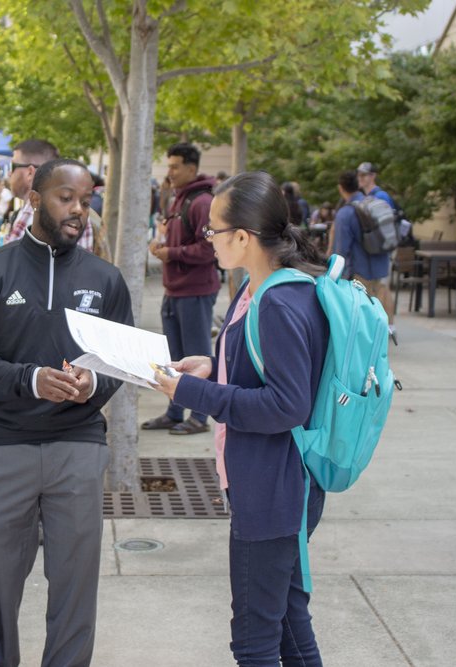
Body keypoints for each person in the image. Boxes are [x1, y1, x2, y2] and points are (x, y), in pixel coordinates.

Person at [0, 158, 132, 667]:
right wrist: (29, 379)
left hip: (79, 446)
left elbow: (123, 363)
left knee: (75, 586)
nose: (79, 211)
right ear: (34, 199)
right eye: (66, 198)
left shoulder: (107, 280)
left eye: (86, 200)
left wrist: (93, 382)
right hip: (5, 448)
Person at [153, 171, 328, 667]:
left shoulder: (278, 299)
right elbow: (267, 369)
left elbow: (287, 404)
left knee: (254, 641)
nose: (207, 239)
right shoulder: (261, 288)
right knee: (290, 627)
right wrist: (213, 368)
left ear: (244, 237)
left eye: (213, 230)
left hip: (275, 489)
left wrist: (194, 392)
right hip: (273, 483)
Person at [144, 142, 218, 435]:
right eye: (169, 165)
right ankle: (175, 411)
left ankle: (199, 417)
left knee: (197, 356)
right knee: (173, 357)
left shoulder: (202, 203)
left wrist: (171, 254)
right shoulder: (179, 200)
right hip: (174, 290)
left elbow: (209, 250)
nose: (170, 172)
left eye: (175, 166)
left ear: (191, 168)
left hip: (195, 291)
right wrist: (163, 247)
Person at [333, 170, 395, 341]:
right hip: (381, 265)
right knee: (381, 299)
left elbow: (341, 250)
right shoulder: (376, 203)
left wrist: (337, 276)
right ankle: (387, 332)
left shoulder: (345, 213)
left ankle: (368, 342)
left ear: (341, 188)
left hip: (360, 270)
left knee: (364, 310)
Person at [4, 139, 94, 254]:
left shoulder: (37, 209)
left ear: (30, 172)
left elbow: (10, 265)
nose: (9, 173)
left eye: (12, 166)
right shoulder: (78, 212)